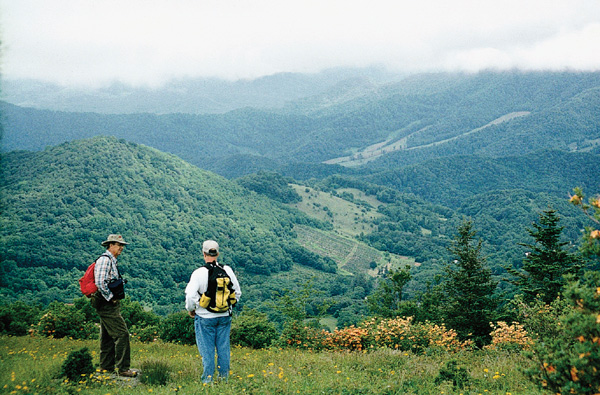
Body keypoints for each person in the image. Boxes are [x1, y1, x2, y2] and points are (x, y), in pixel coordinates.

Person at [185, 240, 242, 384]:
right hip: (224, 317)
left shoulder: (199, 273)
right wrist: (227, 307)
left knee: (207, 351)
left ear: (203, 253)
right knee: (223, 349)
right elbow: (237, 293)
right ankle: (223, 380)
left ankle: (207, 381)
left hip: (205, 317)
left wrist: (192, 309)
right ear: (217, 253)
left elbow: (191, 296)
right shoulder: (227, 270)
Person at [93, 234, 137, 378]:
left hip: (106, 302)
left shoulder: (111, 260)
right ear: (110, 245)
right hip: (106, 302)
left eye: (122, 245)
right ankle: (123, 368)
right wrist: (111, 298)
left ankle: (106, 367)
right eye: (119, 245)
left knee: (107, 336)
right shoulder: (105, 260)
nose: (121, 248)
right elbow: (100, 282)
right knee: (121, 334)